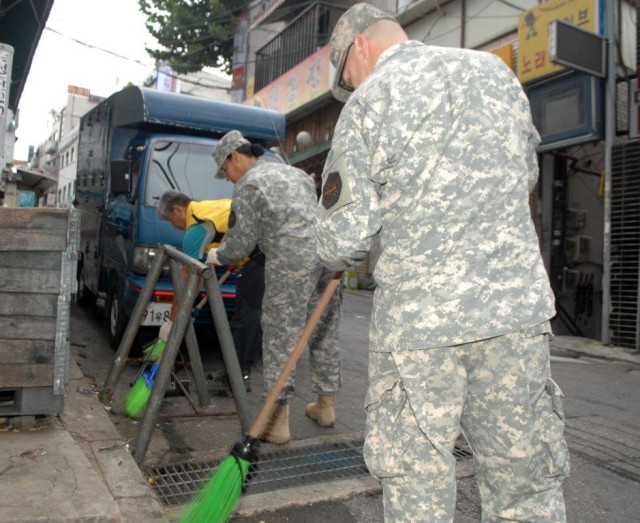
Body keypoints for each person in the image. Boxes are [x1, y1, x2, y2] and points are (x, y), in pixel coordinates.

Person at [315, 4, 569, 523]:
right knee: (526, 487)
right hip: (513, 315)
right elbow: (525, 177)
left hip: (420, 329)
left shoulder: (368, 103)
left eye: (346, 75)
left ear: (359, 47)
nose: (351, 85)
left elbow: (343, 240)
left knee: (418, 492)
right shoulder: (496, 74)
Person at [207, 130, 342, 445]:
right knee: (323, 330)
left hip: (291, 262)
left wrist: (218, 255)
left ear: (235, 156)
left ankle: (277, 422)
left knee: (281, 335)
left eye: (225, 170)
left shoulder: (249, 185)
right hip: (328, 255)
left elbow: (239, 244)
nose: (227, 178)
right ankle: (325, 408)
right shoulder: (295, 174)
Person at [156, 191, 263, 391]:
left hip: (262, 256)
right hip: (260, 251)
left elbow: (188, 281)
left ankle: (235, 381)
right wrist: (233, 258)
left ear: (179, 209)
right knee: (248, 319)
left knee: (246, 320)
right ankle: (236, 377)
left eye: (171, 220)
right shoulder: (209, 208)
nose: (174, 227)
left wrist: (171, 321)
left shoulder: (196, 228)